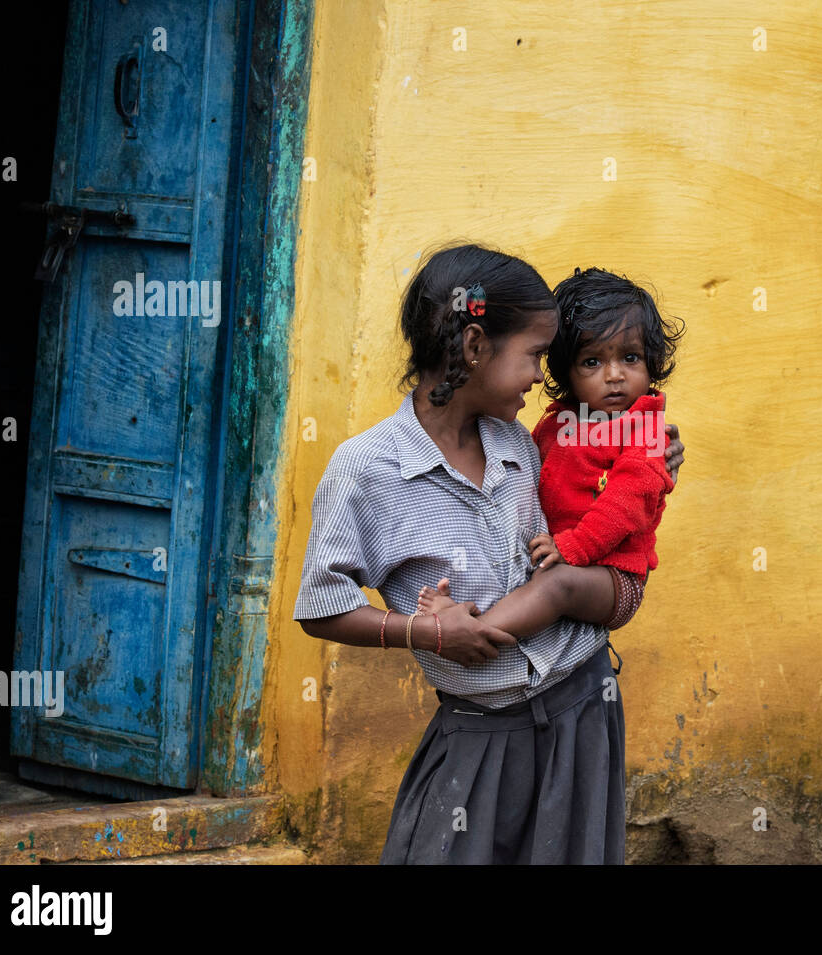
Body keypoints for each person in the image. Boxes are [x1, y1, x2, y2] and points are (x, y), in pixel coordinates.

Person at [292, 243, 685, 864]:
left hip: (582, 710)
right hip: (479, 733)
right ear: (475, 347)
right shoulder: (365, 471)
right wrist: (420, 631)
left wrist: (655, 452)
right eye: (533, 355)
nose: (541, 374)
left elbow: (604, 490)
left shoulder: (522, 446)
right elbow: (321, 608)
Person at [415, 266, 684, 637]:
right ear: (565, 371)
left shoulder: (646, 430)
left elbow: (626, 503)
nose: (614, 375)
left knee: (555, 585)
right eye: (592, 362)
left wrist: (573, 546)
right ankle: (465, 612)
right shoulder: (558, 423)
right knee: (531, 579)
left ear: (652, 361)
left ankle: (467, 632)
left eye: (631, 358)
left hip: (615, 572)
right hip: (565, 555)